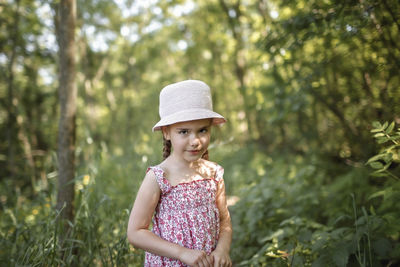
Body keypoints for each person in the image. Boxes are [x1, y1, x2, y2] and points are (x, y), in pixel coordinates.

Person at [127, 80, 232, 267]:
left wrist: (222, 250)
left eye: (202, 130)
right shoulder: (159, 177)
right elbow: (135, 232)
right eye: (184, 132)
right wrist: (182, 253)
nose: (195, 141)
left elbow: (224, 221)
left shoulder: (213, 173)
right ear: (167, 133)